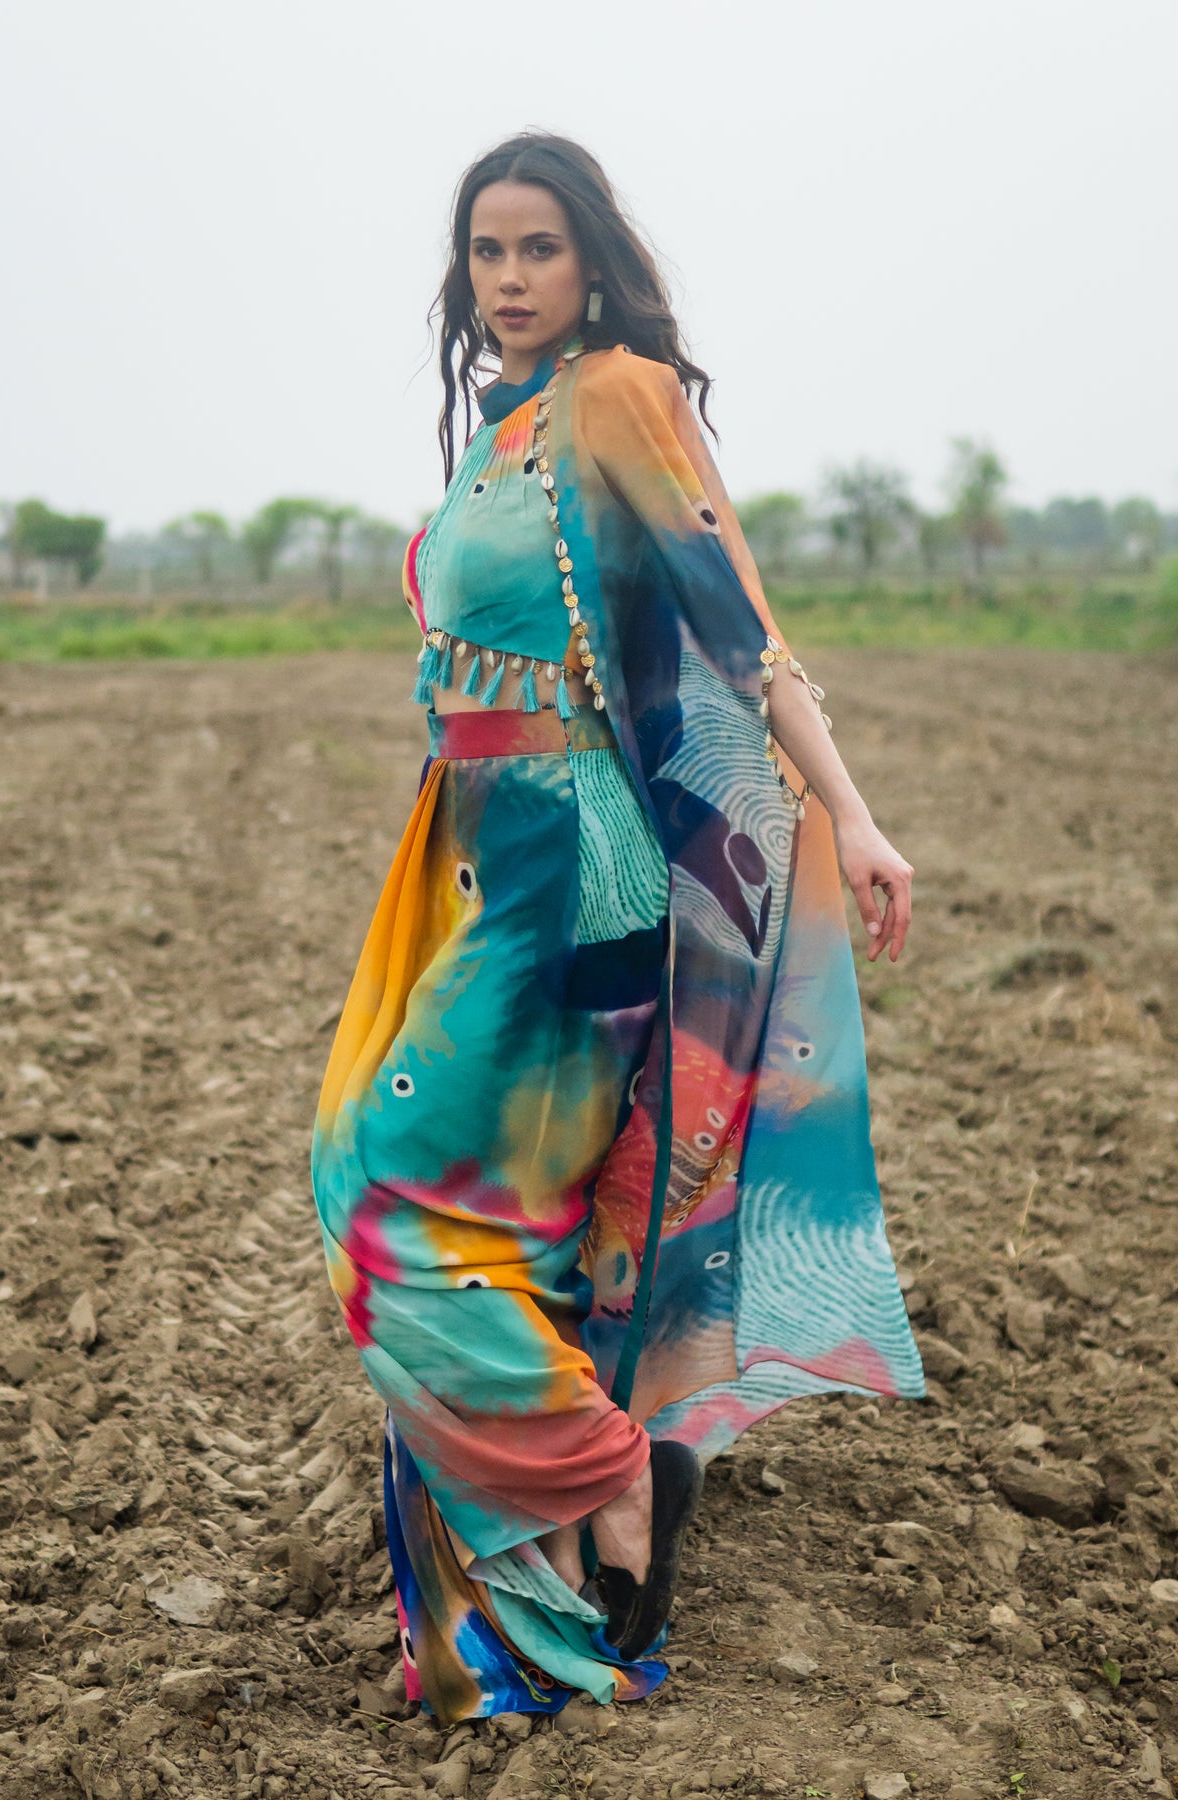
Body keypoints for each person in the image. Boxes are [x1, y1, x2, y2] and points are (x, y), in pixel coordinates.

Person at [310, 130, 924, 1725]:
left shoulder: (620, 397)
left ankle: (607, 1470)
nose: (508, 279)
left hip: (576, 865)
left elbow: (743, 629)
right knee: (503, 1222)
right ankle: (531, 1585)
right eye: (486, 252)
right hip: (466, 849)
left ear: (591, 262)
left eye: (539, 248)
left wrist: (852, 814)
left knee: (379, 1185)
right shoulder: (503, 426)